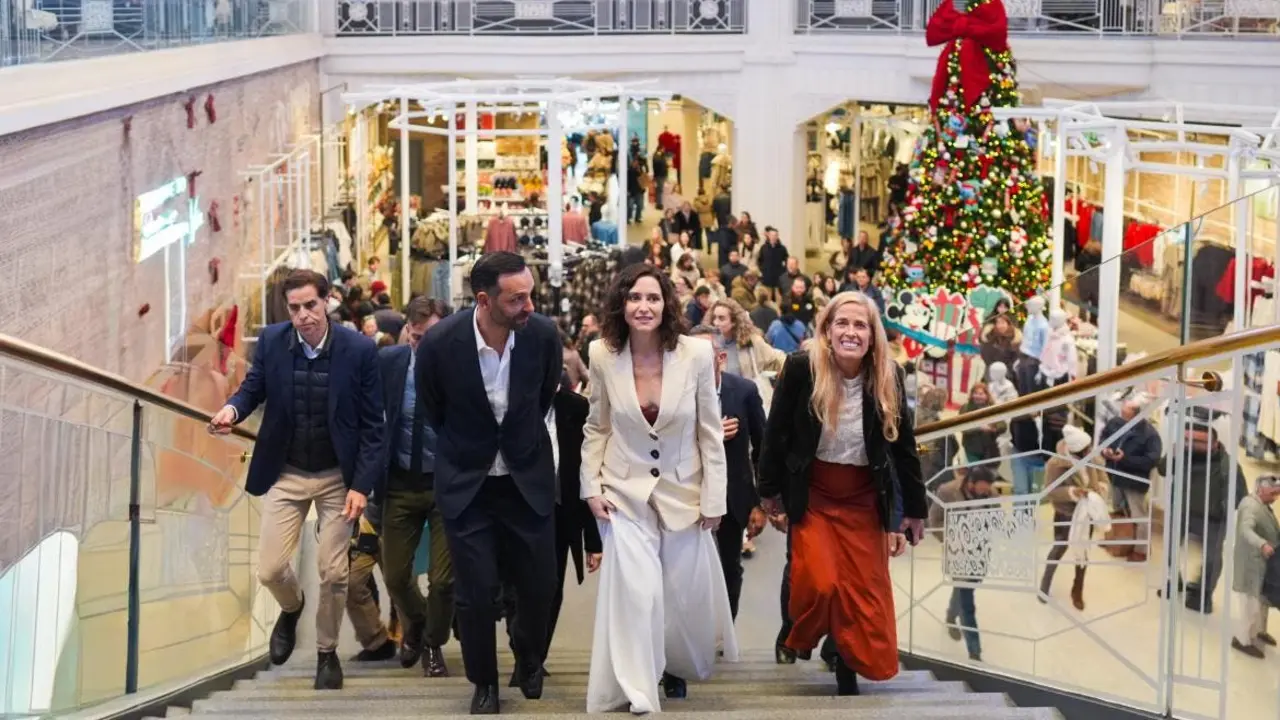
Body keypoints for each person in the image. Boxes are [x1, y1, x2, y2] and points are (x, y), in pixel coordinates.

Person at [209, 269, 385, 691]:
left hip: (337, 479)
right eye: (295, 308)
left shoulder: (359, 350)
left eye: (310, 305)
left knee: (334, 572)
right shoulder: (272, 341)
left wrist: (361, 485)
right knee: (269, 570)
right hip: (286, 472)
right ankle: (292, 609)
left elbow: (374, 427)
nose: (303, 315)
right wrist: (232, 411)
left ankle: (326, 653)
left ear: (327, 302)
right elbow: (253, 388)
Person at [581, 264, 738, 713]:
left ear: (667, 303)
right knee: (637, 591)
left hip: (684, 489)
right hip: (623, 490)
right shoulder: (601, 354)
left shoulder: (695, 355)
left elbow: (710, 431)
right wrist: (590, 487)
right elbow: (597, 427)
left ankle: (672, 665)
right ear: (621, 306)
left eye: (652, 298)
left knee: (680, 597)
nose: (643, 306)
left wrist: (715, 498)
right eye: (634, 298)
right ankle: (638, 689)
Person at [415, 251, 562, 714]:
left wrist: (513, 446)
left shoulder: (541, 336)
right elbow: (434, 411)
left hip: (526, 480)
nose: (529, 306)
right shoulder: (440, 343)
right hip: (468, 487)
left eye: (531, 294)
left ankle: (528, 653)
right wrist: (476, 448)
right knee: (475, 593)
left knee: (540, 585)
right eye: (517, 299)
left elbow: (541, 399)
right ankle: (485, 683)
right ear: (485, 300)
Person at [757, 290, 925, 696]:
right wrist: (769, 494)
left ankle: (846, 662)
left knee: (865, 591)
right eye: (842, 323)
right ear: (827, 330)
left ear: (873, 335)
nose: (851, 332)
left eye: (860, 325)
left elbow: (903, 449)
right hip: (815, 494)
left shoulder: (890, 376)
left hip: (865, 498)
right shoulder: (801, 369)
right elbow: (775, 434)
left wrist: (913, 511)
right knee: (822, 582)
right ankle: (804, 635)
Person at [500, 372, 603, 671]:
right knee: (513, 585)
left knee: (550, 586)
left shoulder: (577, 408)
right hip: (516, 511)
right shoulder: (511, 403)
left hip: (560, 511)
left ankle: (534, 658)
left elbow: (587, 472)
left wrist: (593, 540)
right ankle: (522, 646)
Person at [377, 296, 455, 678]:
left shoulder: (462, 367)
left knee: (442, 581)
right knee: (394, 575)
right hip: (400, 483)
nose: (421, 343)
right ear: (407, 329)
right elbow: (373, 422)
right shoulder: (389, 363)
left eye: (430, 336)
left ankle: (433, 644)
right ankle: (421, 623)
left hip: (446, 485)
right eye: (416, 334)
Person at [689, 324, 767, 619]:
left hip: (732, 499)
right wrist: (709, 435)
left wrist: (761, 502)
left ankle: (724, 633)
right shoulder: (675, 393)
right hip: (687, 495)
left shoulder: (744, 391)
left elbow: (763, 447)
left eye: (703, 354)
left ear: (720, 358)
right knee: (688, 571)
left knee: (728, 568)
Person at [929, 466, 997, 662]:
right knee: (967, 602)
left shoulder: (990, 493)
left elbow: (996, 516)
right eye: (982, 489)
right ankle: (974, 651)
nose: (985, 492)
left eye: (987, 489)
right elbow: (934, 520)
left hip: (980, 552)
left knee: (967, 588)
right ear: (970, 483)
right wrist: (952, 538)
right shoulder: (947, 491)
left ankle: (951, 614)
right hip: (958, 553)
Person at [1231, 476, 1280, 658]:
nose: (1276, 496)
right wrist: (1262, 544)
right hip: (1250, 563)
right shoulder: (1250, 506)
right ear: (1261, 490)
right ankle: (1242, 640)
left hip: (1262, 565)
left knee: (1262, 602)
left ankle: (1259, 631)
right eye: (1273, 493)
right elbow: (1246, 530)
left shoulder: (1264, 505)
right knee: (1249, 604)